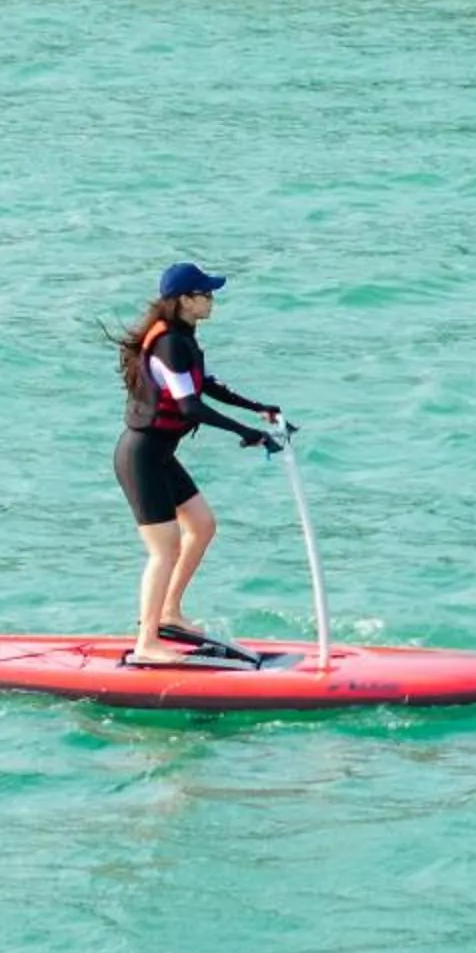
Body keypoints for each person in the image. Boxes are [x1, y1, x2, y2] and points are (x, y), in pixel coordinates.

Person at [111, 263, 282, 664]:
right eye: (205, 294)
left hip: (160, 455)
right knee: (164, 549)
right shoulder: (169, 343)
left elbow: (201, 386)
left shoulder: (180, 339)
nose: (211, 300)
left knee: (202, 525)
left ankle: (170, 613)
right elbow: (189, 406)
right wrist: (245, 431)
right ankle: (146, 643)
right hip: (142, 457)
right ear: (185, 300)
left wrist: (258, 410)